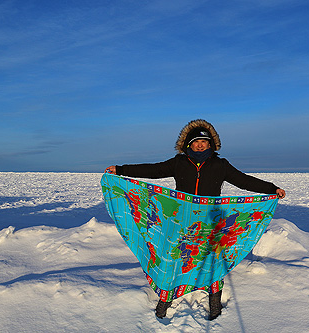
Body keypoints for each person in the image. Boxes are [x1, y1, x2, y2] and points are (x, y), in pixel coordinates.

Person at [104, 119, 285, 320]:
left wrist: (271, 189)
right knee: (175, 258)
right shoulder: (179, 163)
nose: (200, 144)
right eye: (196, 141)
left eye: (204, 142)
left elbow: (244, 180)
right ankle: (166, 298)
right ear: (188, 144)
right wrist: (121, 170)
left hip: (211, 222)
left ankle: (214, 299)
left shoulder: (220, 165)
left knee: (212, 259)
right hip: (181, 222)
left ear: (211, 144)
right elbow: (153, 170)